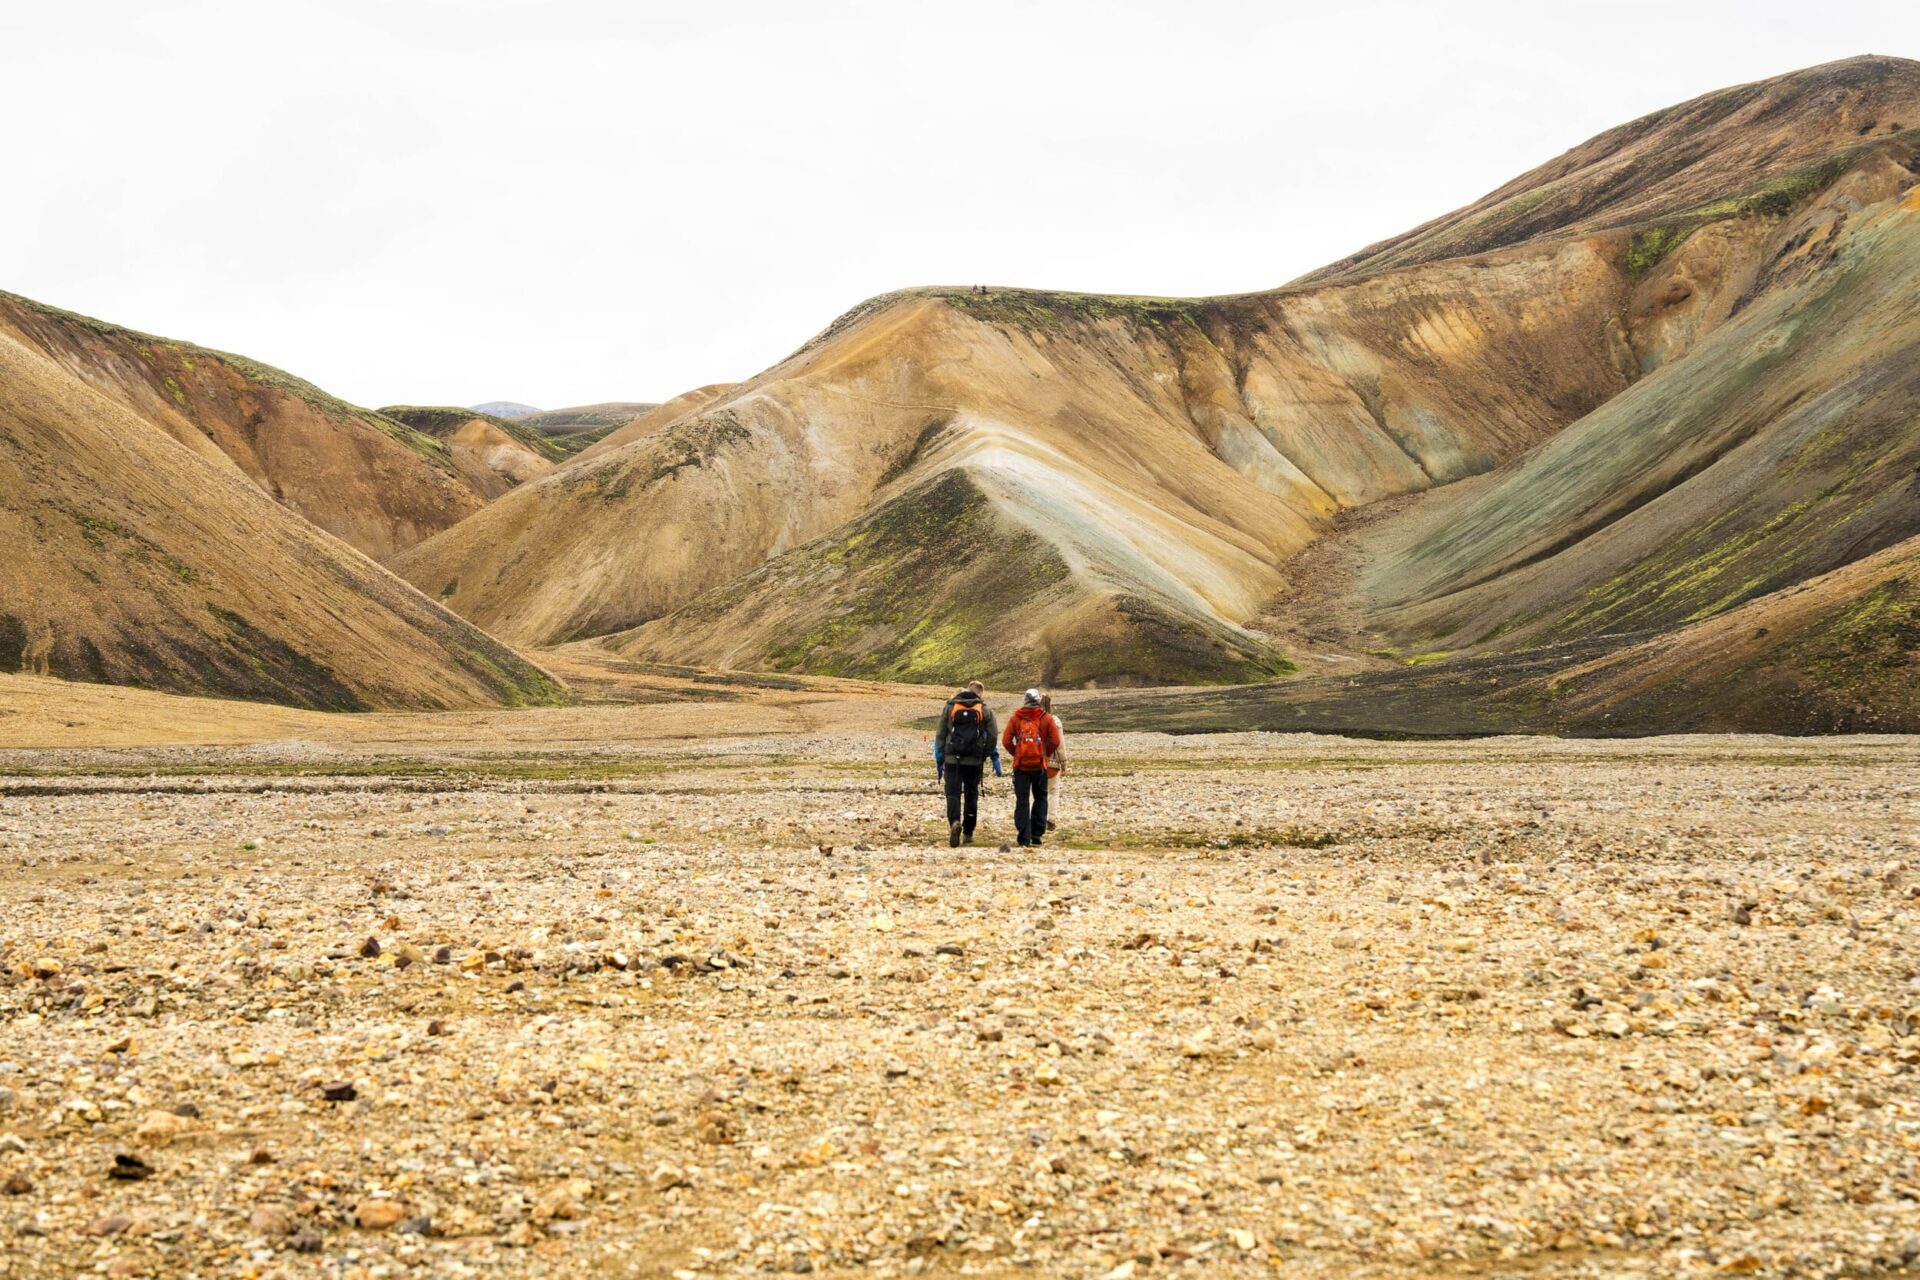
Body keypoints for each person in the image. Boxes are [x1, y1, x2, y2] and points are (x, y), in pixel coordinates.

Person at [933, 681, 1000, 847]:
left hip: (952, 759)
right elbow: (993, 736)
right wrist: (984, 753)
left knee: (953, 793)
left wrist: (942, 755)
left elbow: (940, 733)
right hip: (974, 760)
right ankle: (968, 832)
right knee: (971, 794)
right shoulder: (984, 709)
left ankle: (955, 822)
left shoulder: (949, 708)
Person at [1001, 688, 1061, 848]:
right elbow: (1055, 741)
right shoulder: (1046, 718)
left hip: (1021, 767)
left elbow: (1006, 741)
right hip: (1039, 766)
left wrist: (1017, 754)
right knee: (1041, 797)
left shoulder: (1016, 717)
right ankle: (1036, 834)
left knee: (1022, 800)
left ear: (1025, 700)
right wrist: (1043, 754)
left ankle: (1023, 837)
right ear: (1038, 701)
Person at [1040, 692, 1066, 833]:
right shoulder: (1055, 721)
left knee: (1037, 791)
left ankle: (1036, 817)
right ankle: (1051, 818)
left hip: (1035, 761)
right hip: (1052, 762)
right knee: (1053, 791)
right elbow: (1060, 744)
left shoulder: (1032, 719)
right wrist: (1064, 763)